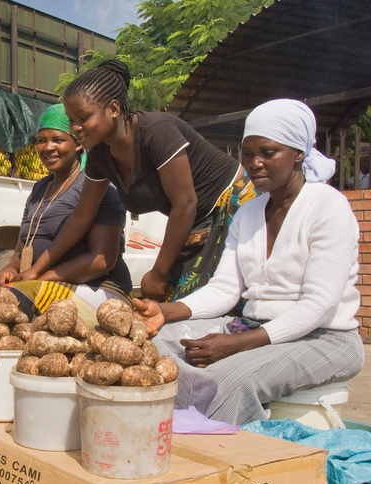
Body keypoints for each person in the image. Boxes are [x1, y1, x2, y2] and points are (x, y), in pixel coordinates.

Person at [134, 99, 364, 425]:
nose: (254, 163)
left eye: (268, 153)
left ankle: (218, 461)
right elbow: (226, 289)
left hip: (324, 339)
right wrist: (164, 312)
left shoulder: (328, 206)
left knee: (228, 381)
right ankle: (172, 433)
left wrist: (237, 344)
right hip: (252, 328)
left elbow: (319, 305)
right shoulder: (250, 211)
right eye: (247, 154)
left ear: (299, 153)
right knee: (150, 345)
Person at [15, 59, 254, 302]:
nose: (75, 127)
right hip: (194, 220)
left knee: (211, 300)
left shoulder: (157, 132)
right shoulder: (100, 154)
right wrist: (35, 271)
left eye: (83, 117)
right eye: (71, 119)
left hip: (232, 205)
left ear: (114, 109)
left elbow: (185, 203)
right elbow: (82, 216)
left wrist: (159, 273)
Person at [0, 104, 131, 322]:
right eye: (41, 140)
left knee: (12, 303)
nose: (48, 147)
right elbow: (21, 250)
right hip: (38, 283)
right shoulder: (40, 188)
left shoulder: (97, 187)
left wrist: (41, 278)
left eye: (58, 140)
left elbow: (101, 261)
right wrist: (11, 268)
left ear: (78, 144)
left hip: (97, 289)